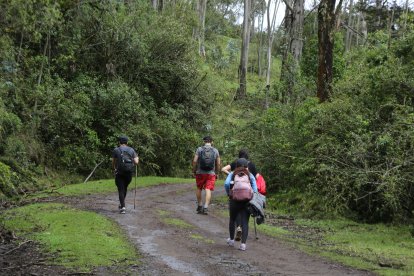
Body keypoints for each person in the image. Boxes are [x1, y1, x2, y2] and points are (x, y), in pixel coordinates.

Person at [222, 149, 258, 241]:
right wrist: (254, 195)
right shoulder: (251, 166)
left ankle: (238, 227)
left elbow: (226, 182)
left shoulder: (235, 166)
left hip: (235, 195)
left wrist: (229, 193)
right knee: (245, 218)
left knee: (235, 212)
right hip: (247, 196)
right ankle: (243, 244)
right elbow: (256, 179)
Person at [192, 136, 221, 215]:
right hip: (211, 173)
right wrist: (217, 173)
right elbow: (218, 163)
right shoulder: (215, 150)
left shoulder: (199, 149)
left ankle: (200, 205)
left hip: (200, 173)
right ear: (212, 142)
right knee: (208, 189)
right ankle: (205, 207)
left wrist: (194, 171)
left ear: (204, 141)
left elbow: (195, 161)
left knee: (199, 188)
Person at [112, 135, 139, 214]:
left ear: (119, 142)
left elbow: (113, 161)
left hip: (119, 172)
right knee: (125, 188)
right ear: (127, 142)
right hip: (129, 173)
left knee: (121, 189)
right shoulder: (131, 150)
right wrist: (138, 158)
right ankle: (122, 204)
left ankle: (123, 207)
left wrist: (114, 168)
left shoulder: (116, 150)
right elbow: (136, 162)